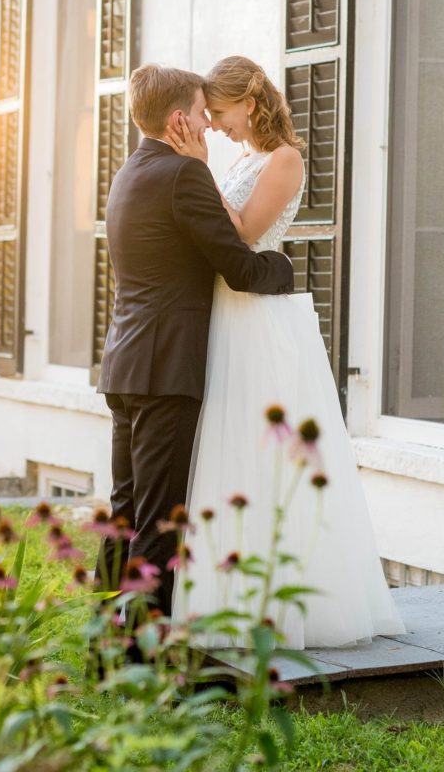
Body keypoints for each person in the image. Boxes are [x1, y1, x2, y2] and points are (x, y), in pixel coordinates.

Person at [165, 55, 405, 647]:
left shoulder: (285, 159)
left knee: (266, 456)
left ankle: (282, 606)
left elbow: (244, 232)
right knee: (228, 451)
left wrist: (197, 169)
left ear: (248, 103)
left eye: (219, 114)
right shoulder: (242, 157)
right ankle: (226, 598)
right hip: (228, 313)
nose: (214, 126)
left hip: (261, 324)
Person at [95, 63, 294, 616]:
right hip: (166, 370)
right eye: (204, 116)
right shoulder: (184, 175)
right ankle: (138, 659)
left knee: (125, 512)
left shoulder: (129, 172)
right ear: (179, 119)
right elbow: (241, 270)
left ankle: (105, 648)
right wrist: (284, 269)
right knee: (161, 517)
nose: (208, 127)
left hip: (126, 364)